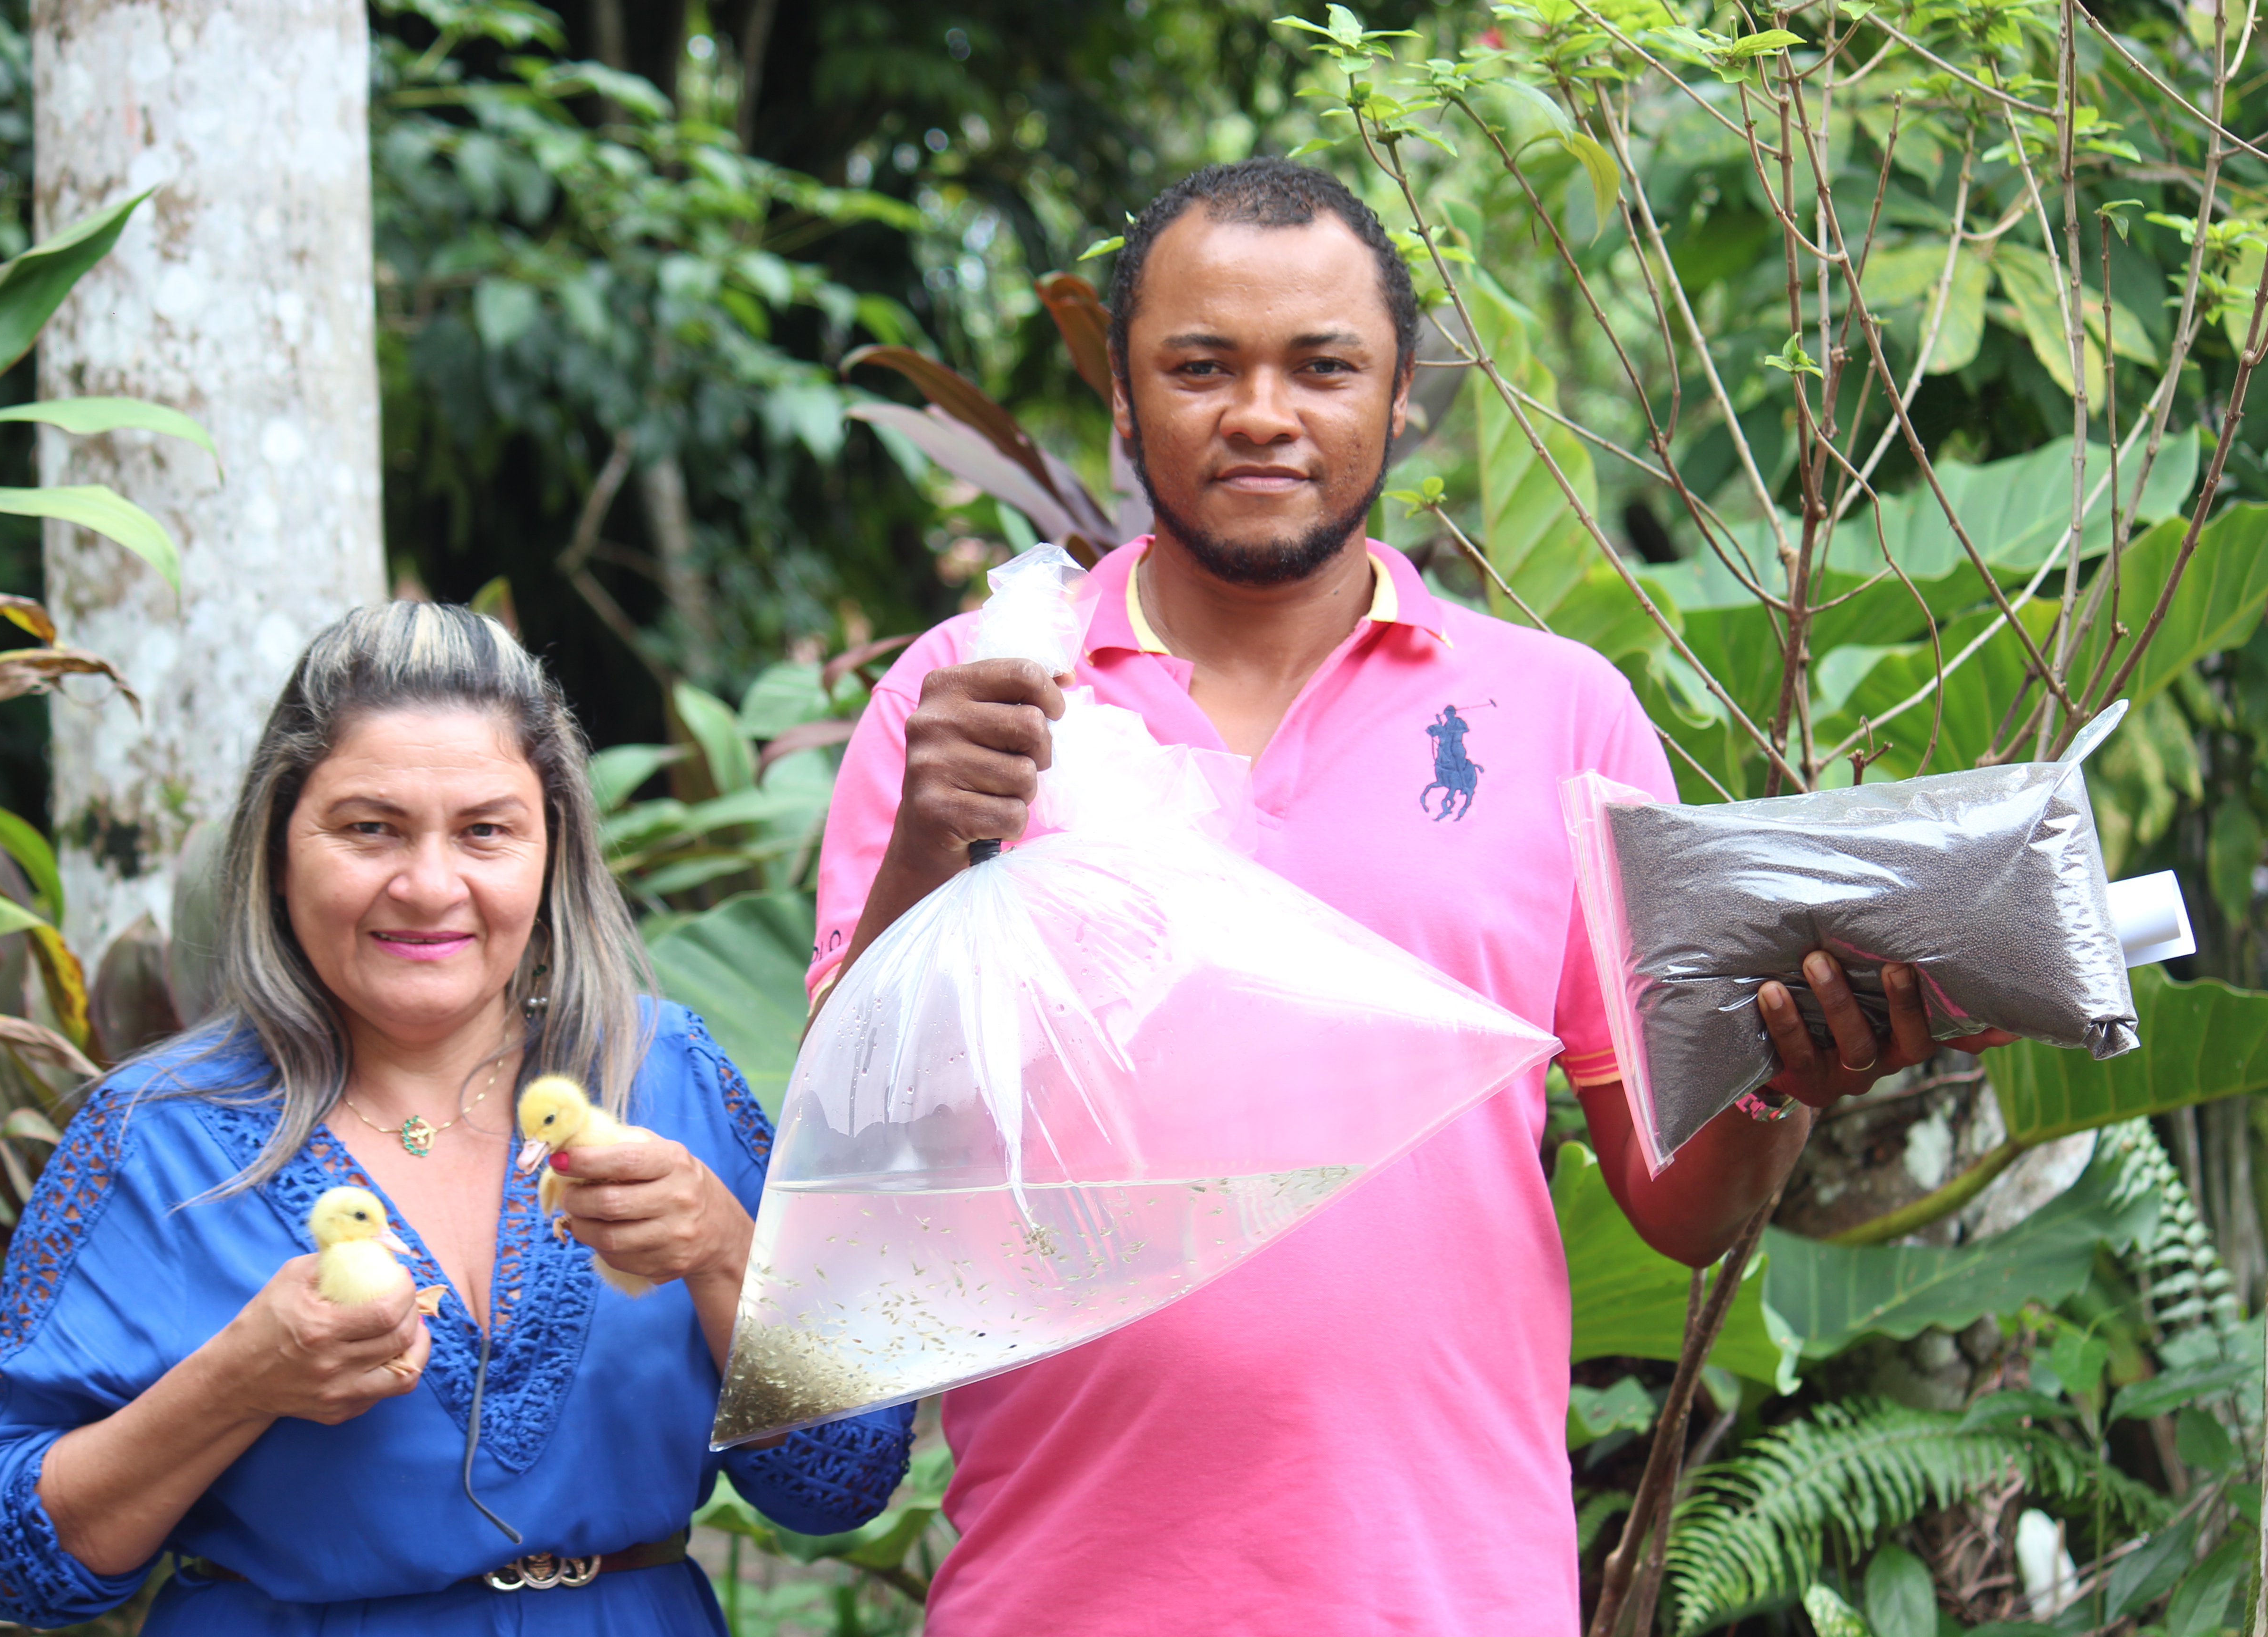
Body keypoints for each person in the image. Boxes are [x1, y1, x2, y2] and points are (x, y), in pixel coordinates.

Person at [806, 157, 2011, 1633]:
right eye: (1200, 366)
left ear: (1399, 395)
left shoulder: (1560, 716)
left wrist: (1786, 1077)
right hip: (1061, 1597)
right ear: (1123, 399)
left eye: (1324, 366)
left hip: (1444, 1597)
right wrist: (935, 842)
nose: (1262, 413)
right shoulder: (973, 701)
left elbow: (1682, 1208)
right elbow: (854, 1180)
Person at [0, 603, 912, 1635]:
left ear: (553, 849)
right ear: (276, 847)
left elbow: (844, 1479)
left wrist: (724, 1251)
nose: (430, 886)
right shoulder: (156, 1132)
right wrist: (237, 1382)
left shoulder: (663, 1069)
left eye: (486, 830)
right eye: (369, 829)